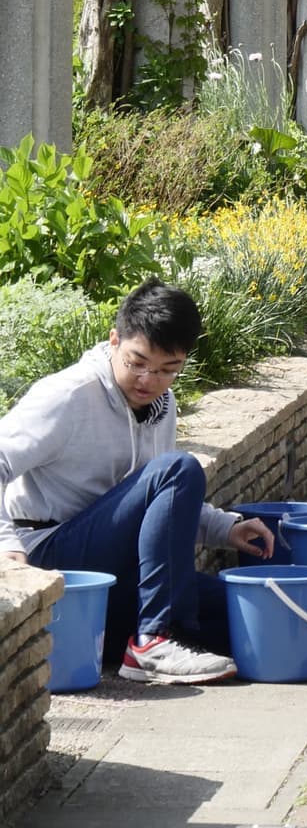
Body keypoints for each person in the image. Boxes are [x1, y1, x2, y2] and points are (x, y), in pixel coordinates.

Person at [0, 280, 275, 684]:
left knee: (248, 613)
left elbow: (158, 502)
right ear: (115, 340)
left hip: (112, 569)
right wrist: (5, 545)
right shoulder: (69, 395)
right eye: (137, 362)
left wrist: (226, 529)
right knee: (180, 468)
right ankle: (153, 641)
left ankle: (141, 639)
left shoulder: (162, 405)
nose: (149, 380)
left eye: (168, 369)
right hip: (53, 556)